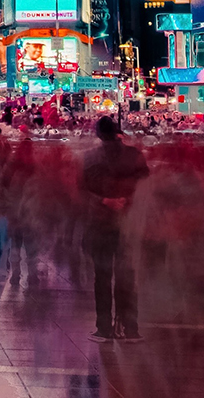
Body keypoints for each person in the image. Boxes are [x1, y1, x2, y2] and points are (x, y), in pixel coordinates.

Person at [80, 115, 149, 343]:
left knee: (102, 276)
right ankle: (130, 328)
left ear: (99, 134)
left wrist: (104, 201)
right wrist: (127, 200)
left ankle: (104, 328)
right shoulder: (135, 156)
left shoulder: (90, 158)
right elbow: (146, 185)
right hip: (128, 222)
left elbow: (81, 191)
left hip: (101, 224)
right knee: (127, 275)